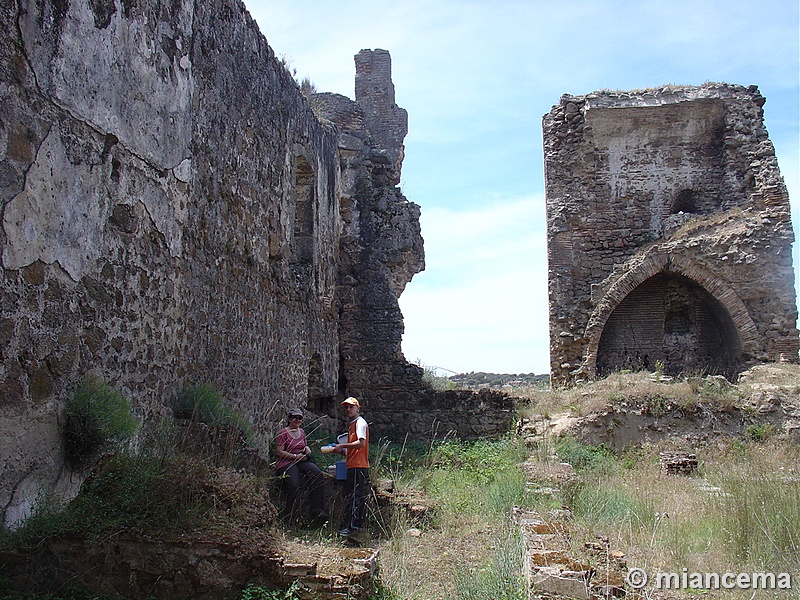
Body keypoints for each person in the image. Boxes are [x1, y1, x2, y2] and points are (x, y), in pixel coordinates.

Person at [274, 407, 327, 528]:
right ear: (289, 419)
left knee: (317, 474)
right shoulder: (283, 433)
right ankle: (290, 518)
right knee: (294, 485)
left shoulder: (301, 432)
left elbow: (304, 445)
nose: (297, 420)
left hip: (300, 460)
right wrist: (294, 456)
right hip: (286, 462)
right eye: (295, 418)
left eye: (300, 418)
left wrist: (306, 449)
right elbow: (279, 452)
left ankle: (317, 511)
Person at [333, 397, 369, 536]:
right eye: (346, 407)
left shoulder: (360, 423)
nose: (348, 410)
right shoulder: (353, 424)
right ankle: (355, 526)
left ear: (357, 408)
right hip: (354, 464)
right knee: (355, 495)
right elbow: (353, 448)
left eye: (351, 407)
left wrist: (342, 445)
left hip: (358, 465)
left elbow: (361, 443)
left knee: (354, 496)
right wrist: (341, 450)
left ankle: (352, 528)